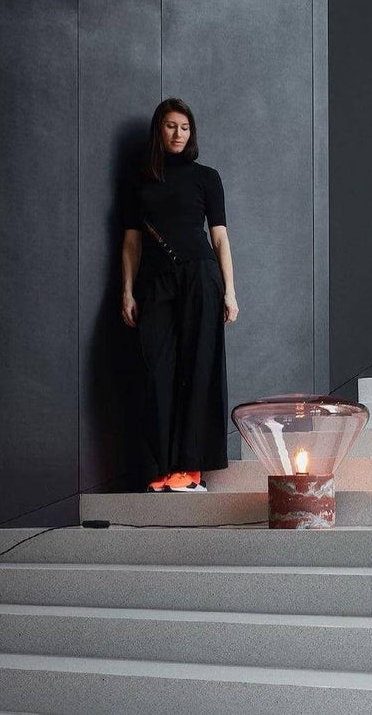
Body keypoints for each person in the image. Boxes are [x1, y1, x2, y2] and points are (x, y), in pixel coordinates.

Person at [120, 98, 239, 493]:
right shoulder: (140, 180)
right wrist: (127, 290)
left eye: (185, 128)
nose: (178, 134)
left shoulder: (207, 177)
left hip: (201, 277)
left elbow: (219, 238)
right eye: (171, 126)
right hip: (155, 283)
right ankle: (162, 467)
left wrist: (231, 292)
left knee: (198, 368)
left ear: (191, 133)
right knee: (158, 371)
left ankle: (190, 471)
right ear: (160, 130)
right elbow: (131, 243)